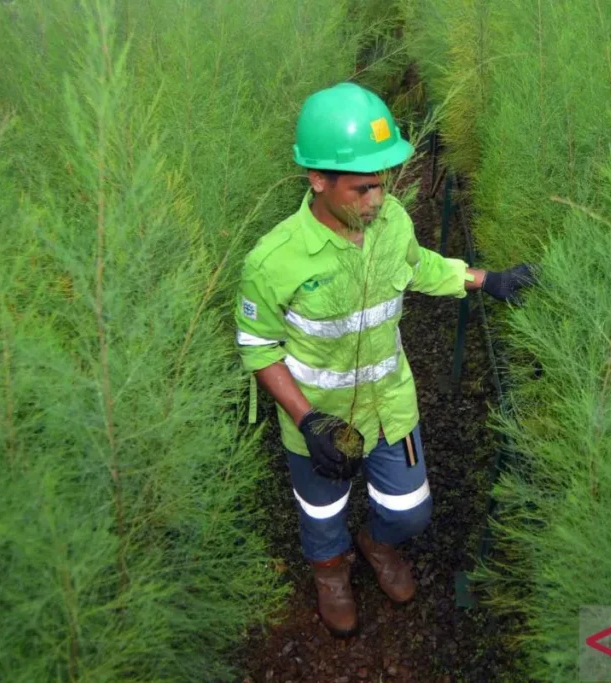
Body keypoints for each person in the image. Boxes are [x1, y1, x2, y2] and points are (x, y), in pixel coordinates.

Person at [234, 82, 537, 636]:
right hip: (319, 421)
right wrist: (309, 419)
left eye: (383, 183)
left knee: (410, 513)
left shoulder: (391, 221)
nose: (377, 201)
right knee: (322, 517)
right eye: (362, 188)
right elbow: (258, 347)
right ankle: (331, 575)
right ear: (317, 180)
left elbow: (417, 265)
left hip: (390, 406)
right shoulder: (272, 260)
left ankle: (378, 543)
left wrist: (483, 279)